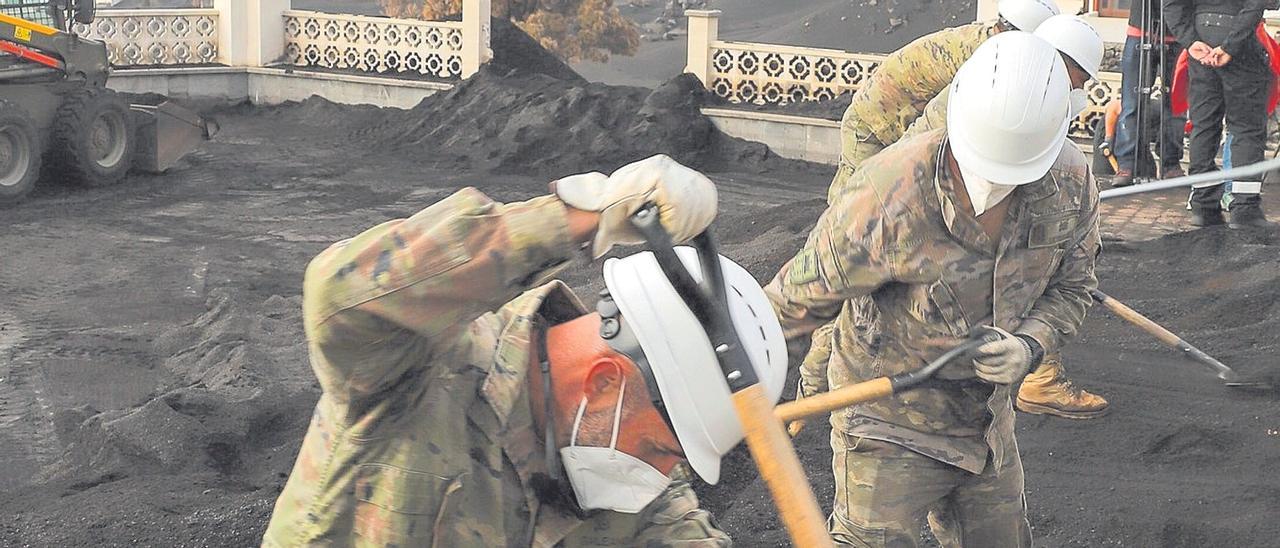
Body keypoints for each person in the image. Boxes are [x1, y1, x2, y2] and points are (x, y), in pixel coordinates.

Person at [260, 155, 789, 547]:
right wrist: (582, 218)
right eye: (656, 450)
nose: (661, 475)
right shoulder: (421, 372)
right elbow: (340, 296)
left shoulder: (621, 473)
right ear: (604, 383)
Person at [769, 32, 1099, 546]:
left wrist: (1029, 345)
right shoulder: (887, 195)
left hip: (986, 425)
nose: (991, 185)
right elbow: (791, 305)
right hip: (887, 423)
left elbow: (1074, 288)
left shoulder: (1070, 184)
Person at [819, 16, 1111, 420]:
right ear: (1057, 64)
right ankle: (815, 383)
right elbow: (913, 167)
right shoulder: (986, 99)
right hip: (882, 144)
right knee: (857, 279)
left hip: (924, 158)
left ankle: (1041, 378)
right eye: (1078, 81)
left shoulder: (1030, 104)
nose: (1078, 93)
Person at [828, 0, 1060, 204]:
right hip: (871, 124)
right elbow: (933, 124)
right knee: (853, 205)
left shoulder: (990, 43)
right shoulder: (983, 62)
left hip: (894, 118)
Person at [1165, 0, 1274, 227]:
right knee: (1246, 128)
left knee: (1204, 125)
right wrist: (1230, 45)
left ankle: (1203, 204)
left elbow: (1172, 5)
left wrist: (1191, 41)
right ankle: (1245, 207)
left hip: (1201, 34)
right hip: (1240, 37)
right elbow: (1256, 4)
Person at [1112, 0, 1188, 187]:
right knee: (1132, 102)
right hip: (1140, 26)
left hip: (1179, 29)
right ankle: (1127, 164)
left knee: (1176, 102)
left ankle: (1171, 163)